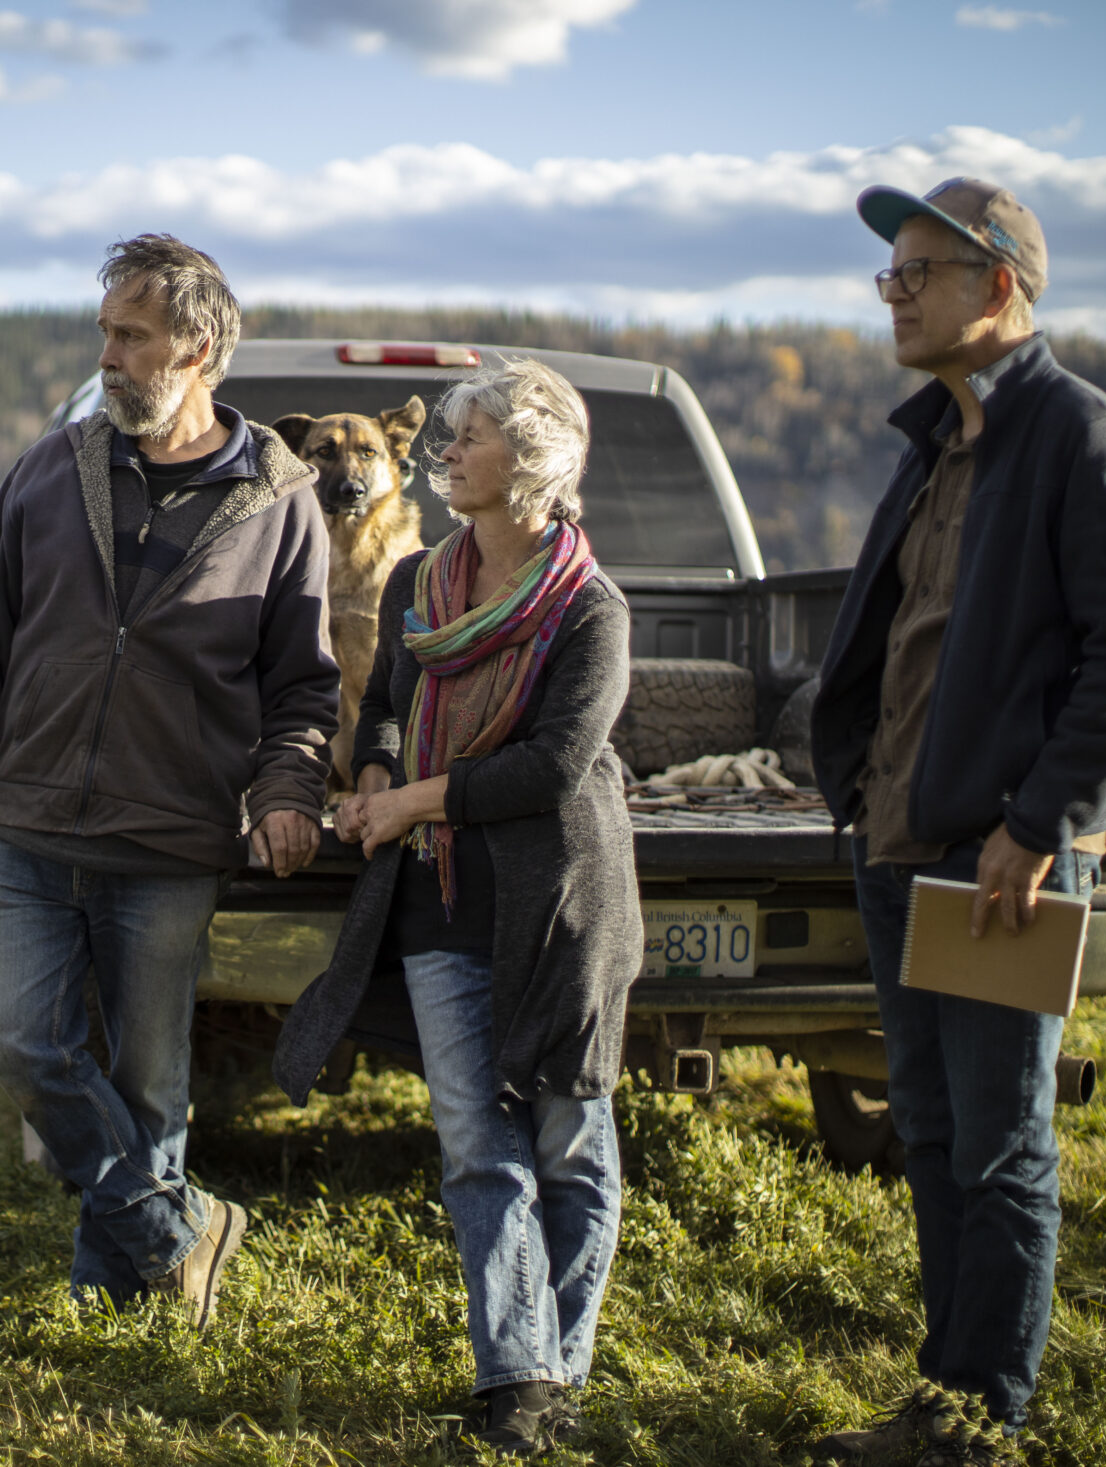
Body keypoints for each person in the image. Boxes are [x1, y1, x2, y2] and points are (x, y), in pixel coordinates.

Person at [809, 180, 1106, 1462]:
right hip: (901, 842)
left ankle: (977, 1418)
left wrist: (1037, 826)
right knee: (927, 1127)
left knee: (999, 1143)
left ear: (1000, 288)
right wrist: (858, 796)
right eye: (888, 273)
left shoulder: (1080, 436)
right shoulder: (936, 446)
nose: (891, 291)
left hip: (1003, 858)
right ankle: (944, 1399)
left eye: (919, 269)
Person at [0, 234, 339, 1329]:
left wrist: (287, 790)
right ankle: (178, 1232)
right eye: (104, 331)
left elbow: (303, 687)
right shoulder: (50, 470)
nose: (107, 354)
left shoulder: (280, 504)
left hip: (166, 845)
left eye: (129, 335)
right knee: (18, 1042)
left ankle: (121, 1306)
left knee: (151, 1088)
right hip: (32, 825)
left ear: (196, 349)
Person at [273, 359, 643, 1456]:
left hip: (556, 901)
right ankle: (519, 1380)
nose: (441, 451)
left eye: (466, 436)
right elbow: (384, 707)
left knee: (570, 1137)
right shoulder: (415, 586)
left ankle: (552, 1368)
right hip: (435, 899)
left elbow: (555, 764)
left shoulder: (589, 607)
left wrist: (418, 798)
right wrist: (379, 772)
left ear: (527, 462)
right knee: (478, 1145)